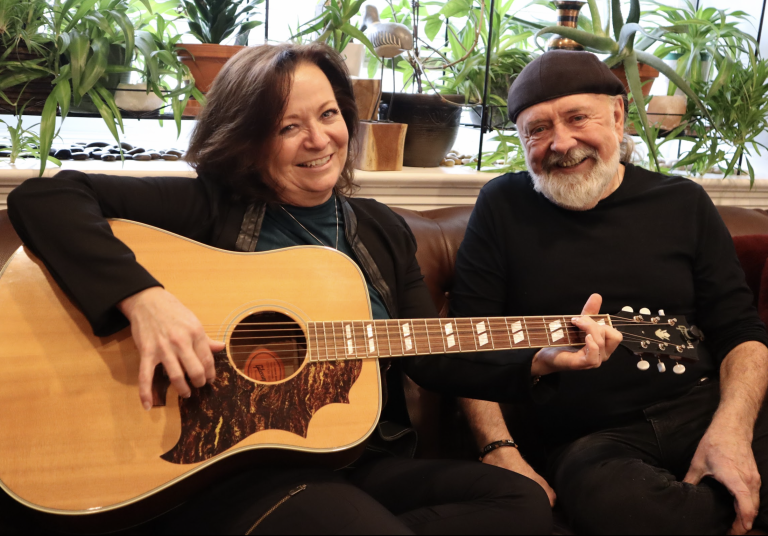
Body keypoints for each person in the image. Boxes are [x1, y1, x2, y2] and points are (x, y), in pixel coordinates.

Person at [4, 43, 619, 535]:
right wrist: (145, 300)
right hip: (228, 468)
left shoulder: (378, 229)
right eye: (286, 126)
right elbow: (46, 197)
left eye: (328, 115)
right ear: (247, 136)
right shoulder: (204, 205)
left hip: (355, 462)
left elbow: (431, 356)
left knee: (520, 502)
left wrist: (539, 358)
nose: (320, 138)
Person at [448, 49, 768, 535]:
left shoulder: (682, 202)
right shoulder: (501, 206)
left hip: (705, 405)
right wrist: (499, 450)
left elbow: (740, 328)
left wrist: (732, 429)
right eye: (537, 129)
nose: (561, 142)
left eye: (578, 118)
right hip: (593, 441)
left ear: (618, 116)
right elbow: (467, 345)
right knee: (616, 505)